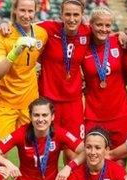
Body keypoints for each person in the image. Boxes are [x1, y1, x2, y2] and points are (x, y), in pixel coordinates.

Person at [0, 0, 48, 144]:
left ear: (36, 11)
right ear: (14, 10)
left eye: (30, 11)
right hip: (4, 104)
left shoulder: (42, 34)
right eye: (22, 10)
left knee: (33, 152)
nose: (26, 15)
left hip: (30, 104)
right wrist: (15, 52)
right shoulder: (3, 35)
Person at [81, 7, 127, 157]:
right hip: (93, 115)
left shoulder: (119, 42)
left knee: (120, 161)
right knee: (93, 162)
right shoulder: (83, 46)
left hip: (120, 113)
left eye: (108, 25)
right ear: (91, 25)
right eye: (99, 25)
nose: (104, 29)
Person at [37, 0, 90, 141]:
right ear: (61, 15)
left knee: (72, 150)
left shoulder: (87, 32)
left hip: (73, 102)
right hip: (48, 99)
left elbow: (108, 35)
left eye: (76, 15)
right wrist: (6, 25)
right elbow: (22, 27)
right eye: (67, 14)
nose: (72, 19)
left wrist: (121, 34)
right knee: (47, 146)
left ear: (82, 15)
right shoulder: (48, 28)